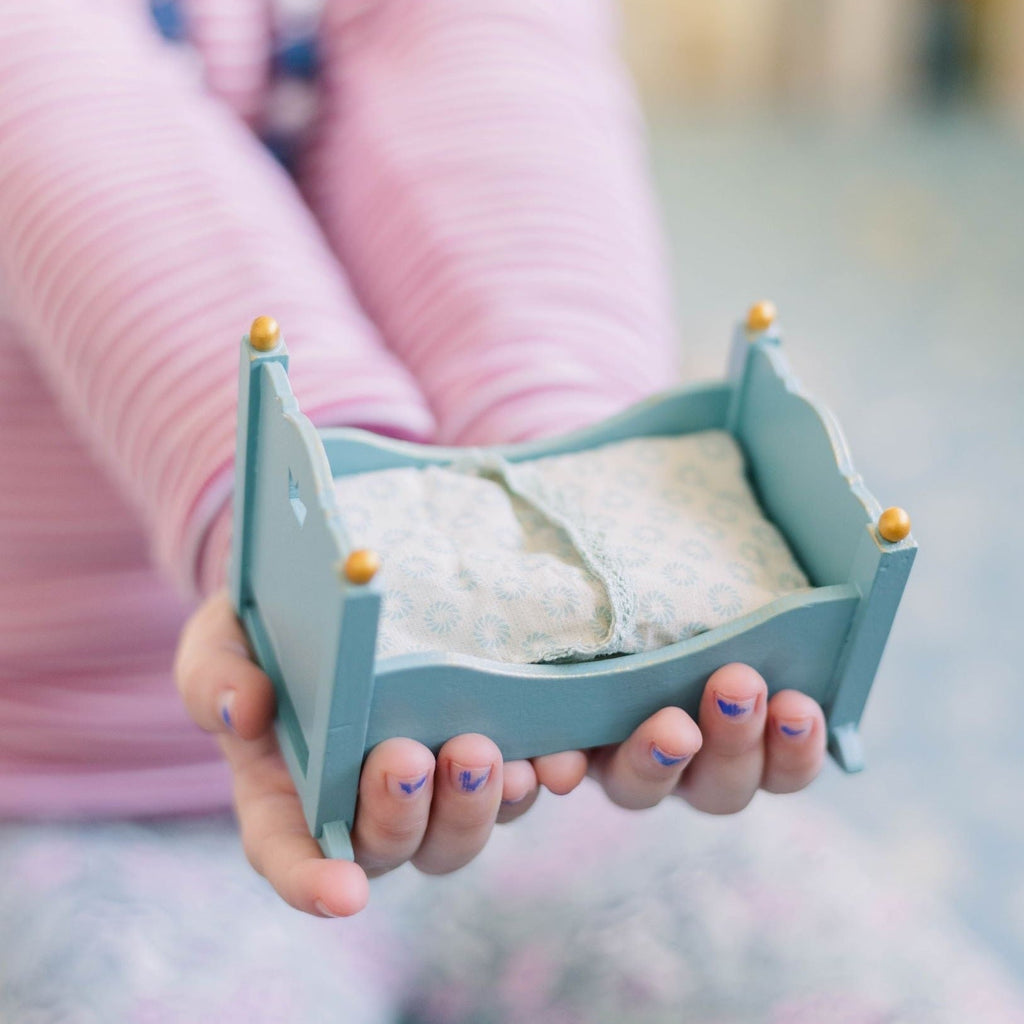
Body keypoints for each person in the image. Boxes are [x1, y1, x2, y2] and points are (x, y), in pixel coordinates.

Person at [0, 0, 826, 928]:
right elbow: (64, 115)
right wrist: (286, 529)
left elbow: (486, 63)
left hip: (531, 744)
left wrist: (580, 480)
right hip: (76, 785)